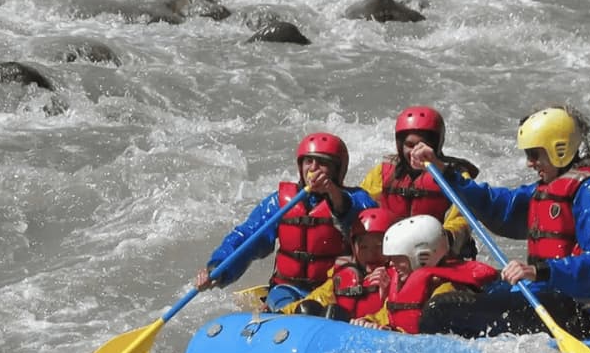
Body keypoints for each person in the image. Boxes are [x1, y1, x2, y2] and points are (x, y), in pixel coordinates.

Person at [408, 106, 590, 338]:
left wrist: (538, 271)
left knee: (440, 311)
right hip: (547, 294)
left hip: (577, 311)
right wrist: (442, 169)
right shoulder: (546, 189)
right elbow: (496, 205)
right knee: (462, 286)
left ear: (559, 150)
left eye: (534, 154)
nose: (530, 163)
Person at [195, 132, 378, 298]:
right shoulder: (281, 202)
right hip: (288, 289)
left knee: (316, 309)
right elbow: (248, 237)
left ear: (337, 170)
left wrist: (334, 196)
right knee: (295, 306)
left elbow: (373, 229)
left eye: (322, 163)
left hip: (334, 290)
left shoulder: (357, 199)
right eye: (308, 161)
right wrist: (219, 268)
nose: (313, 169)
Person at [358, 106, 481, 260]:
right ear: (400, 146)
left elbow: (463, 219)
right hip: (393, 253)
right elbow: (362, 205)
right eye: (409, 145)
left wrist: (443, 238)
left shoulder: (454, 176)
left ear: (436, 145)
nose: (415, 152)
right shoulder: (383, 173)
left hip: (436, 256)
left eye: (422, 145)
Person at [350, 214, 498, 333]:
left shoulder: (445, 293)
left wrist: (392, 333)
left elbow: (434, 338)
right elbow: (385, 315)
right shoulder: (401, 283)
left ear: (423, 256)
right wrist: (369, 321)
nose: (391, 264)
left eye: (398, 258)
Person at [290, 207, 400, 319]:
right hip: (346, 328)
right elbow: (318, 297)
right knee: (307, 308)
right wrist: (283, 312)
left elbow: (398, 317)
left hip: (373, 328)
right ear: (353, 248)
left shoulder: (400, 280)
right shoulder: (342, 276)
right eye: (364, 247)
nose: (371, 255)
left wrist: (387, 295)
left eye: (379, 246)